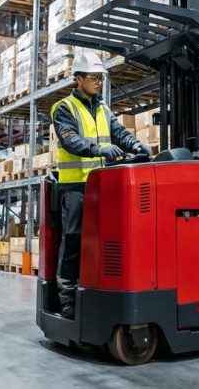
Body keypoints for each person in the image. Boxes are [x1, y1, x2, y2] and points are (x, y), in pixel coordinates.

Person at [50, 51, 151, 319]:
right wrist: (100, 150)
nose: (98, 82)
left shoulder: (104, 109)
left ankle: (94, 289)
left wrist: (135, 144)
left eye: (100, 78)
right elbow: (71, 141)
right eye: (94, 78)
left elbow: (118, 132)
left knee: (103, 240)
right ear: (78, 79)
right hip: (75, 188)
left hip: (102, 187)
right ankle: (67, 297)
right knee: (72, 240)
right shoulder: (64, 108)